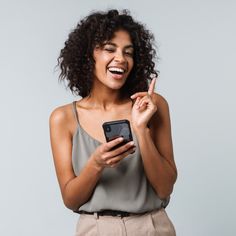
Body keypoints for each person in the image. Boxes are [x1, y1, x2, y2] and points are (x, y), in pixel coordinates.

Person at [49, 9, 177, 236]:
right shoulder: (64, 118)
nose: (121, 58)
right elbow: (70, 200)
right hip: (96, 229)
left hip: (152, 226)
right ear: (89, 55)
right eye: (110, 49)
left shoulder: (152, 106)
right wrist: (96, 164)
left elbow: (165, 187)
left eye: (128, 52)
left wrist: (141, 130)